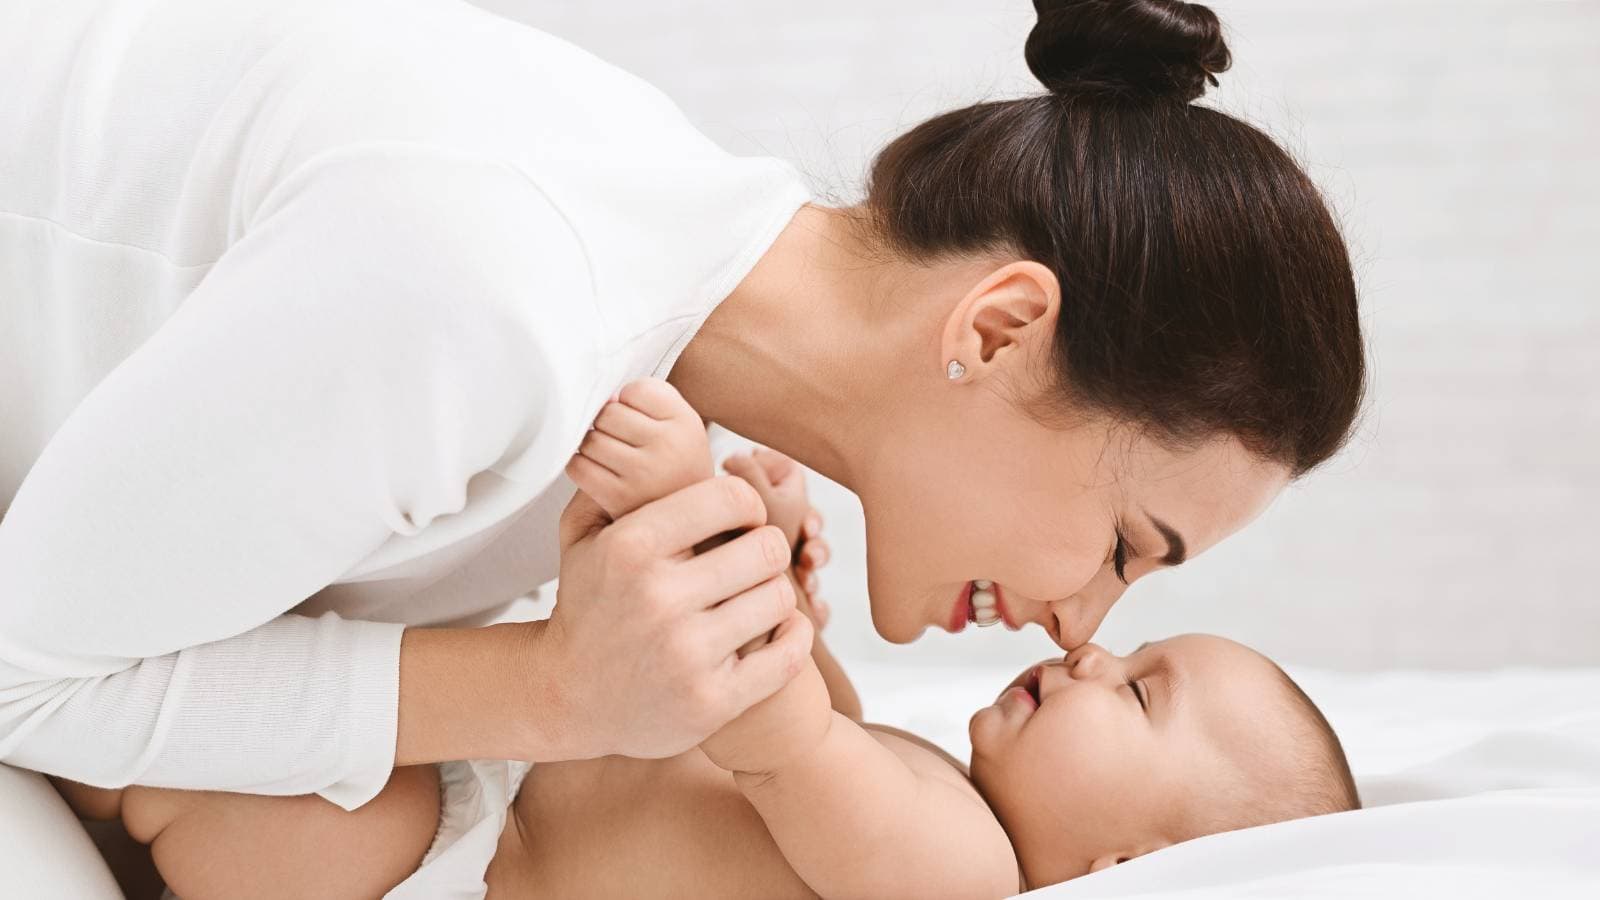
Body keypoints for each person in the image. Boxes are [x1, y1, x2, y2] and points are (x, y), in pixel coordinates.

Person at [0, 0, 1364, 838]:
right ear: (998, 330)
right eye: (1129, 545)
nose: (1084, 623)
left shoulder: (650, 312)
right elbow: (20, 675)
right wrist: (559, 691)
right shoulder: (500, 295)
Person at [55, 379, 1359, 898]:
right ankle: (99, 742)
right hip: (502, 779)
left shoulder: (960, 880)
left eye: (1136, 698)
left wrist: (697, 510)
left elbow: (775, 734)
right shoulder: (936, 787)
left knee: (313, 815)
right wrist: (780, 574)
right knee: (328, 708)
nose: (1090, 652)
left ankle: (100, 782)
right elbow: (806, 707)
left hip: (457, 867)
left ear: (1124, 867)